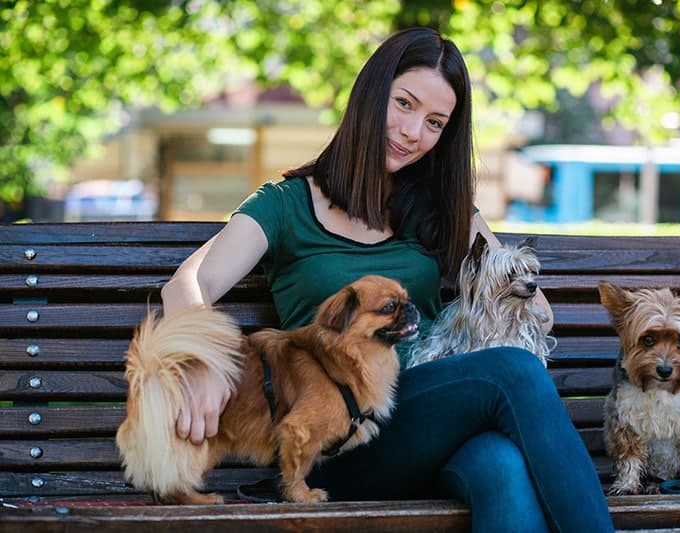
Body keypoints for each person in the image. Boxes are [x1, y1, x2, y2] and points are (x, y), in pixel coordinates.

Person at [161, 27, 614, 532]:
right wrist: (202, 364)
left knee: (501, 466)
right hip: (339, 434)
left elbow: (538, 309)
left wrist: (463, 219)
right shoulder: (285, 205)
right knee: (512, 373)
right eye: (404, 103)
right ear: (372, 93)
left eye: (435, 122)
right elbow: (186, 285)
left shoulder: (441, 209)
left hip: (430, 421)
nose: (413, 131)